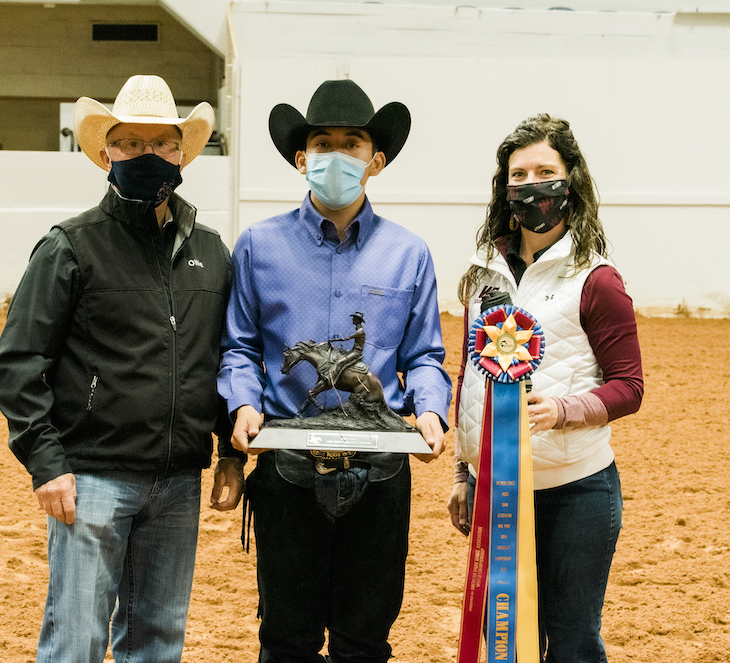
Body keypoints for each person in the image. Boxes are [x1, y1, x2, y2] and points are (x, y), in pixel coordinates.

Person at [0, 75, 245, 663]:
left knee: (158, 640)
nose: (146, 155)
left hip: (179, 481)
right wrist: (46, 462)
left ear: (182, 154)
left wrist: (228, 452)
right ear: (107, 151)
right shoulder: (71, 247)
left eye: (160, 144)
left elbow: (226, 356)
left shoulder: (210, 253)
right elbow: (19, 361)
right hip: (91, 479)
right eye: (131, 143)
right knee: (76, 640)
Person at [218, 79, 452, 663]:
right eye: (323, 142)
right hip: (286, 471)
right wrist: (244, 404)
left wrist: (428, 408)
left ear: (375, 161)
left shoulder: (410, 253)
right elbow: (240, 347)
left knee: (364, 642)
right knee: (285, 640)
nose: (336, 155)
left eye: (353, 144)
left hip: (378, 473)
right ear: (302, 158)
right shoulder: (256, 247)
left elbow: (423, 355)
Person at [447, 113, 644, 661]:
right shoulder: (483, 272)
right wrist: (465, 472)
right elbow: (472, 376)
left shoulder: (597, 280)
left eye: (545, 171)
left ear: (570, 179)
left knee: (572, 643)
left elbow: (630, 386)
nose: (531, 185)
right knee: (508, 643)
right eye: (519, 174)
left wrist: (562, 409)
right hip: (496, 492)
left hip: (576, 491)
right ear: (504, 186)